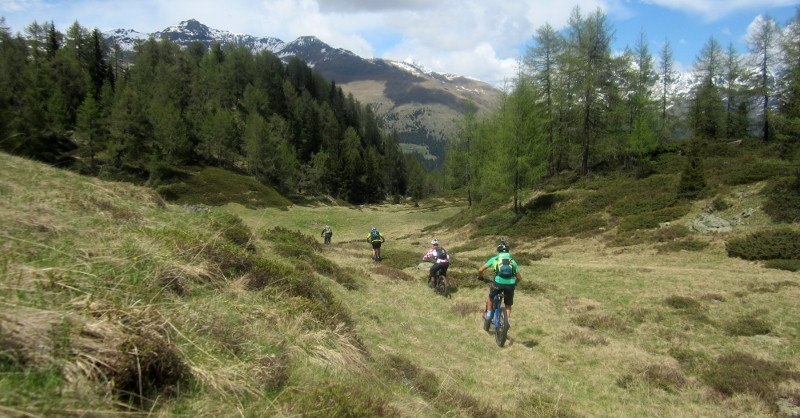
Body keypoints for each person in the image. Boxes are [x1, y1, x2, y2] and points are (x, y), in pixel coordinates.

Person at [476, 242, 522, 326]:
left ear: (498, 251)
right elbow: (519, 277)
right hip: (510, 284)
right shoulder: (512, 261)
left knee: (491, 297)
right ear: (508, 251)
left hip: (498, 283)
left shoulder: (495, 259)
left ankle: (489, 315)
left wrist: (480, 277)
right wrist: (515, 283)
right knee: (508, 304)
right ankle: (507, 321)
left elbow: (480, 270)